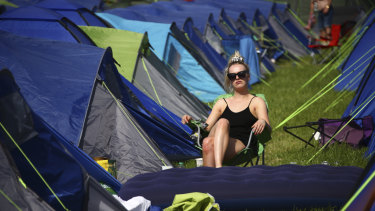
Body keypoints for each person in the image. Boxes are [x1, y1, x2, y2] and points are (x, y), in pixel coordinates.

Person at [181, 51, 271, 168]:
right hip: (217, 142)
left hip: (241, 145)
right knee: (208, 141)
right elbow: (206, 128)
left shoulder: (256, 101)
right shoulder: (221, 103)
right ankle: (212, 180)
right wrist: (191, 121)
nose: (237, 77)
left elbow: (268, 131)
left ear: (248, 76)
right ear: (229, 80)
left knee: (219, 127)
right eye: (232, 76)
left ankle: (218, 170)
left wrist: (262, 122)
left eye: (241, 74)